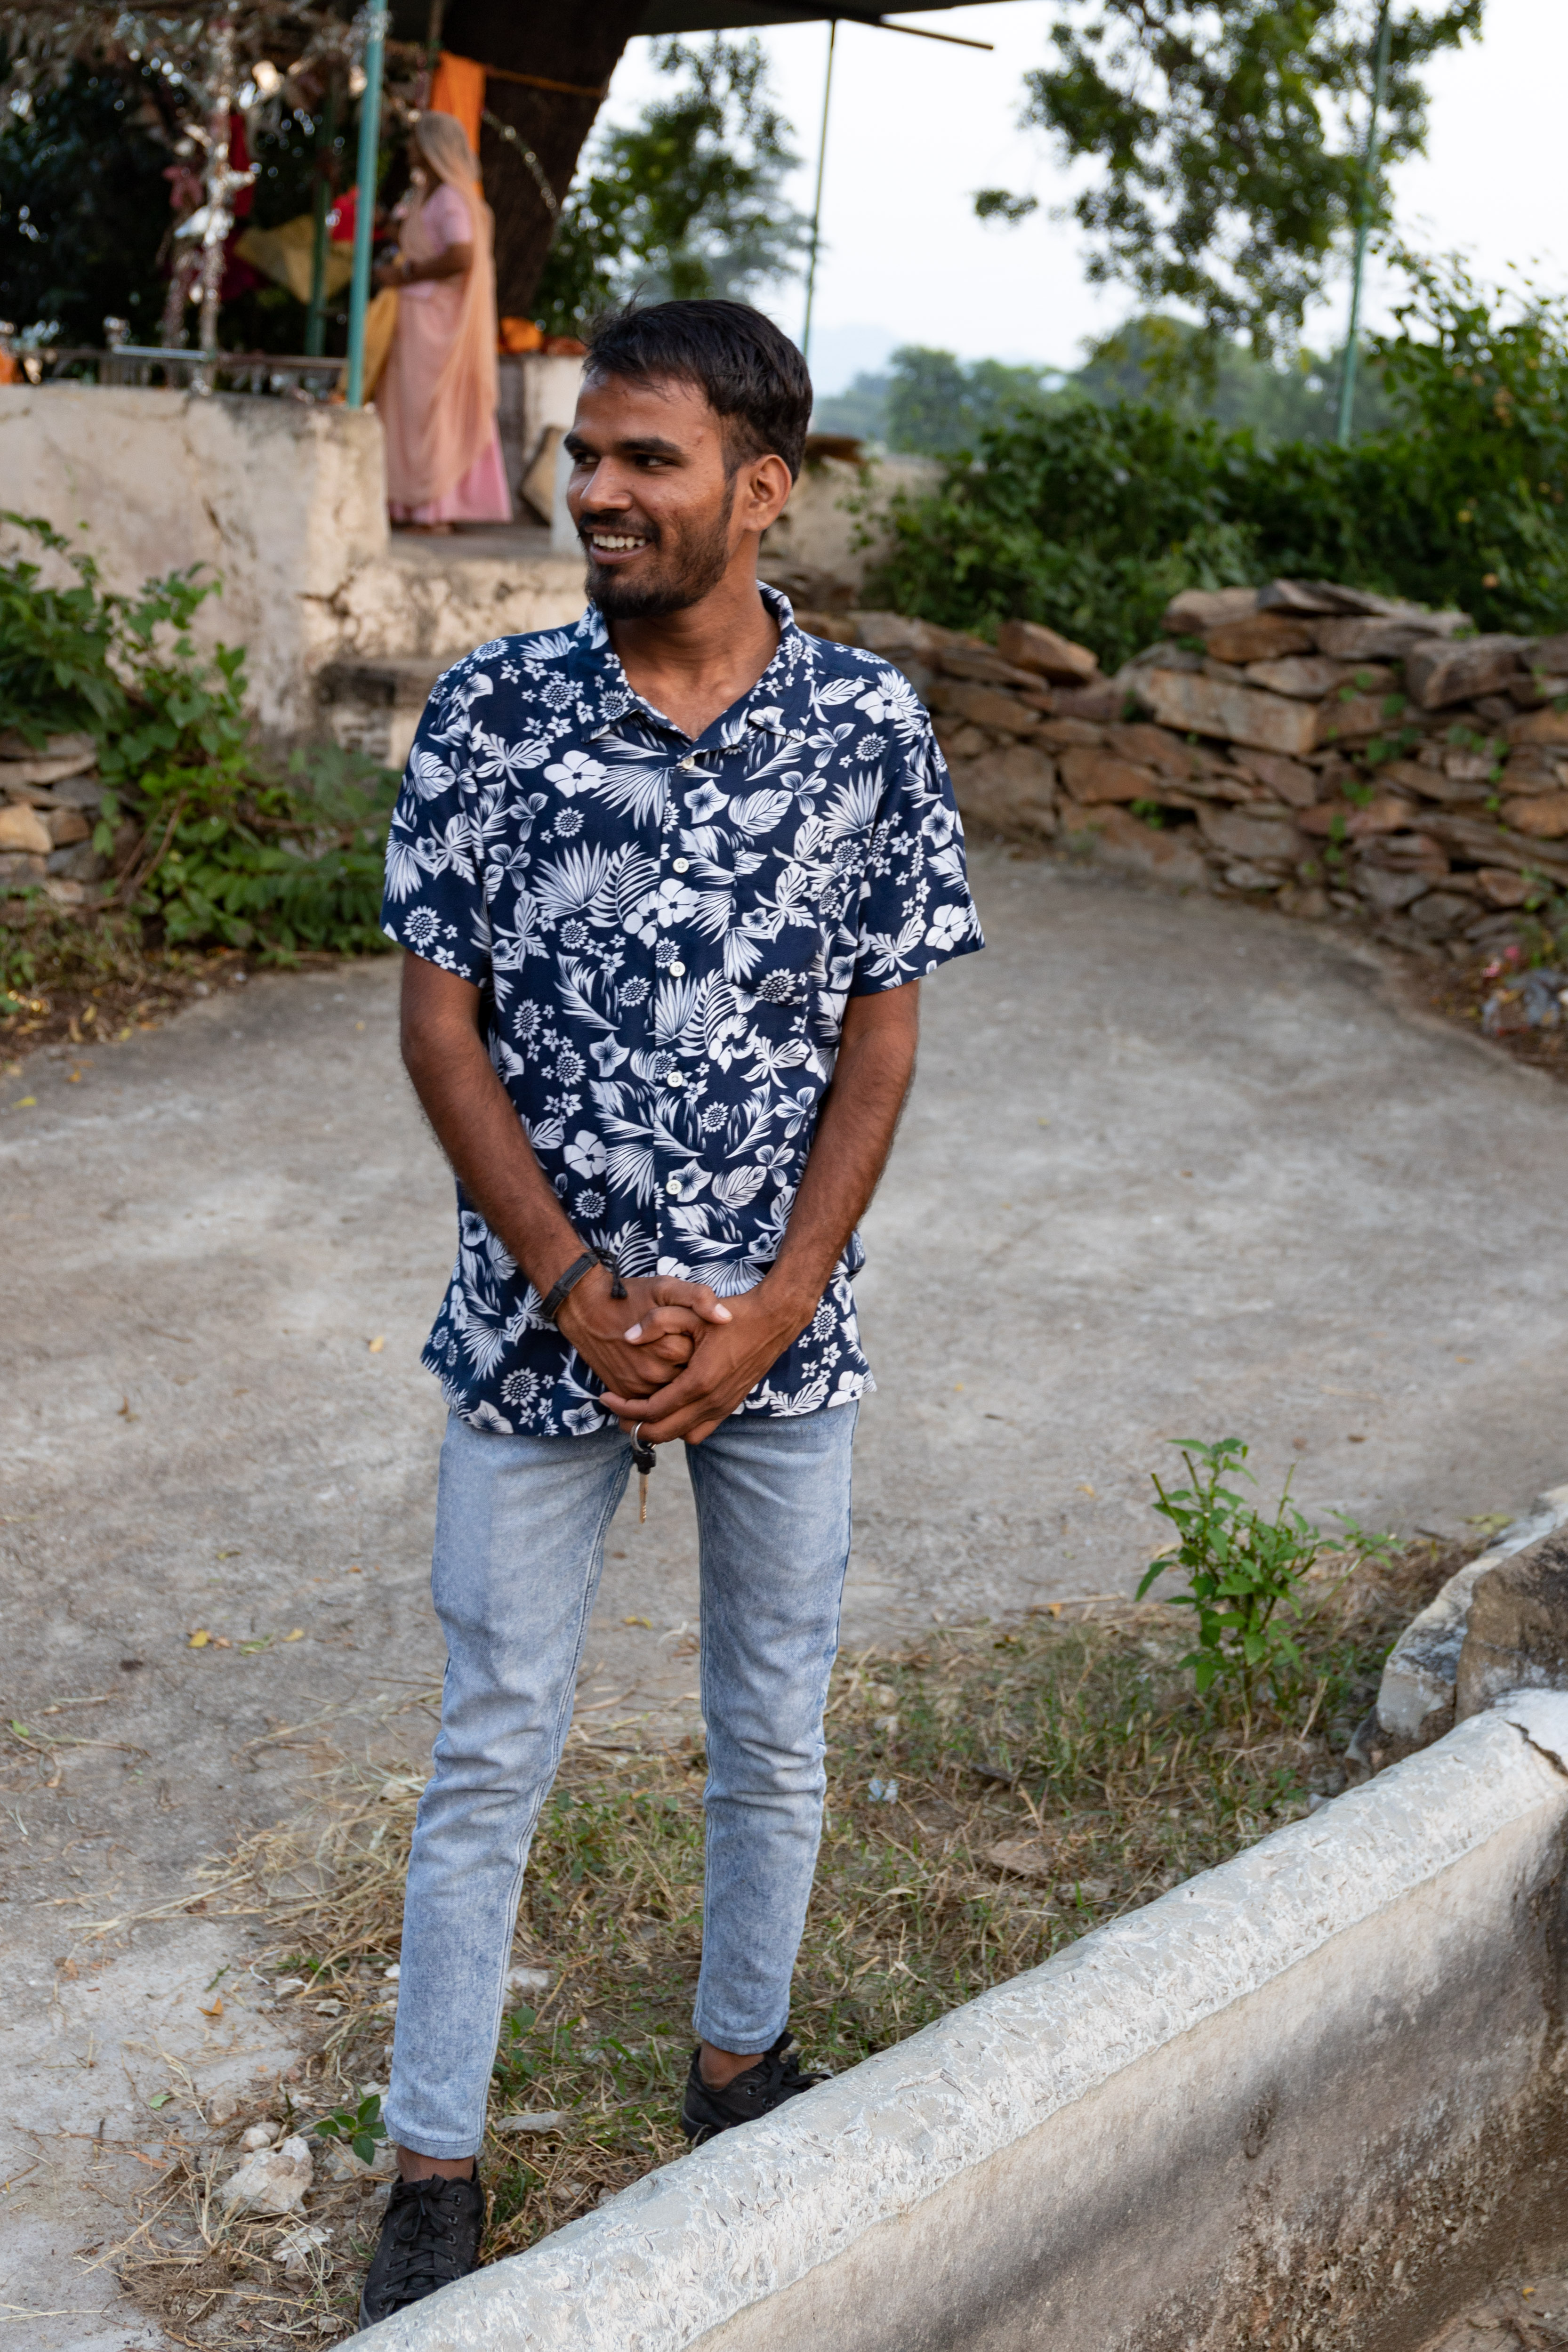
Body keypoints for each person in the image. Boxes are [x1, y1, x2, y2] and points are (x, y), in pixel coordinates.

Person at [358, 298, 983, 2325]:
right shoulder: (492, 711)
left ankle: (739, 2066)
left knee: (773, 1724)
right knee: (490, 1747)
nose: (596, 491)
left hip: (780, 1345)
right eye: (584, 454)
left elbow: (880, 1040)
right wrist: (574, 1288)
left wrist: (777, 1303)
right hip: (532, 1327)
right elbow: (438, 1026)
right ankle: (432, 2166)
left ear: (761, 487)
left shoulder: (868, 730)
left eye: (646, 459)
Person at [373, 111, 511, 532]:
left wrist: (406, 274)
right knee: (410, 411)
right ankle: (410, 505)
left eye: (415, 141)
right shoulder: (425, 194)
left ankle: (435, 509)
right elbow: (421, 239)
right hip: (416, 316)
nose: (409, 148)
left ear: (432, 146)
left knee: (433, 410)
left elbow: (461, 256)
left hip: (438, 321)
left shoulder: (451, 197)